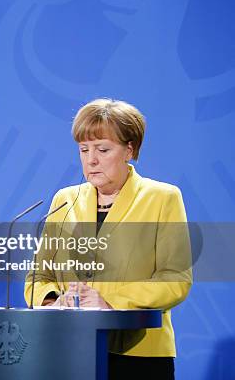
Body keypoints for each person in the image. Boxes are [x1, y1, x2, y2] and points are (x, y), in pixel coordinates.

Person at [24, 98, 192, 379]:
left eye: (103, 149)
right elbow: (38, 277)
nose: (91, 160)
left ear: (129, 149)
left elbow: (176, 279)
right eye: (84, 149)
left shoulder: (163, 198)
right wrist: (53, 302)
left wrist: (109, 301)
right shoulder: (64, 200)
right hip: (69, 349)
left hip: (139, 356)